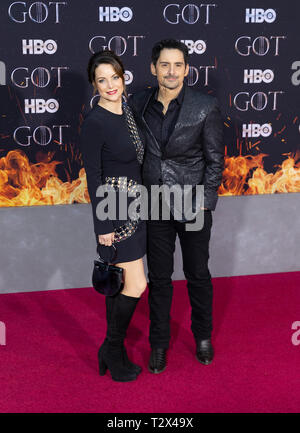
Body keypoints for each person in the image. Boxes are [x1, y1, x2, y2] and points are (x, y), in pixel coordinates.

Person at [129, 39, 224, 373]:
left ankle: (203, 337)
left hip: (193, 205)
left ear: (187, 68)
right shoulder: (137, 103)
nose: (171, 72)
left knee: (197, 273)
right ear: (153, 68)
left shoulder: (204, 106)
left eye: (178, 65)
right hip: (154, 203)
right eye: (164, 65)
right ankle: (159, 344)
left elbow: (215, 162)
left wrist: (204, 204)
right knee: (160, 277)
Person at [80, 50, 147, 382]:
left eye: (114, 77)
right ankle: (111, 346)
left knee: (118, 287)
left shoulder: (128, 111)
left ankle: (114, 354)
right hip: (115, 211)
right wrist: (102, 227)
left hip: (136, 206)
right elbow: (93, 177)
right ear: (94, 84)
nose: (110, 85)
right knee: (136, 284)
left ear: (123, 77)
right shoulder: (95, 122)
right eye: (101, 80)